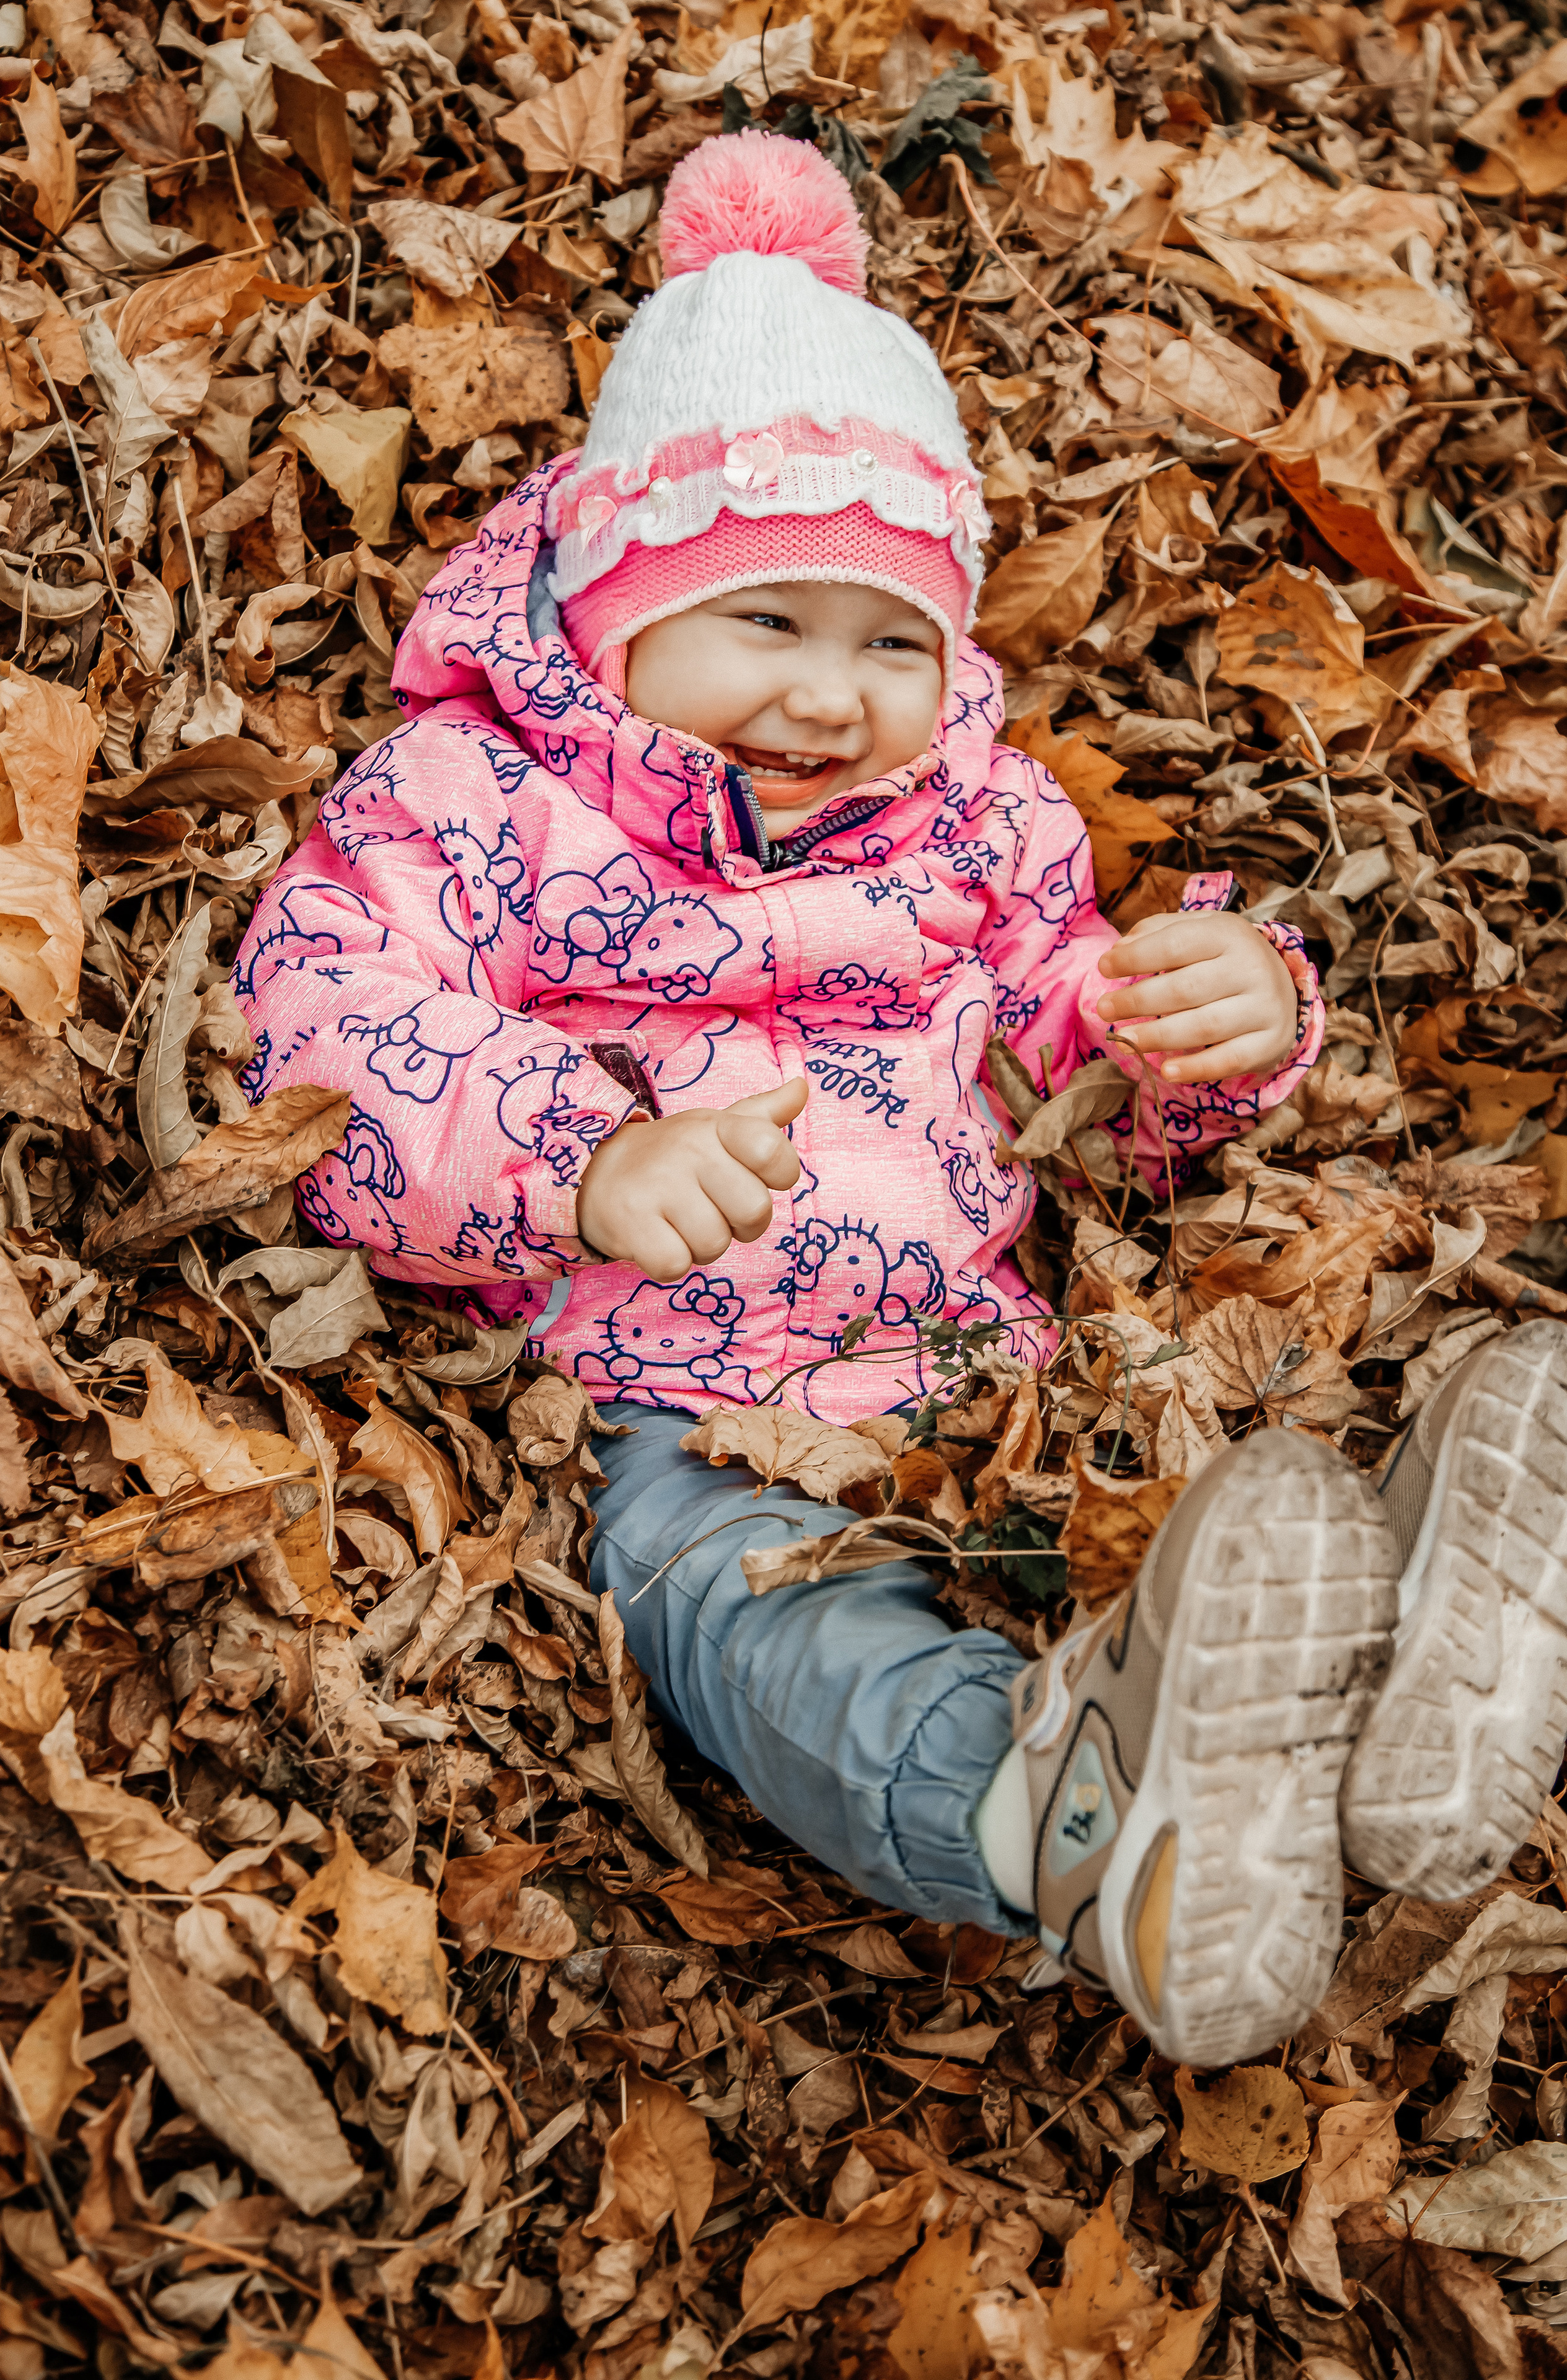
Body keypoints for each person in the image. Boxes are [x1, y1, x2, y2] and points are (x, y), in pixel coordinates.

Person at [234, 133, 1567, 2069]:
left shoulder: (977, 827)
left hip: (980, 1388)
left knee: (1166, 1520)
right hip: (682, 1399)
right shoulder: (471, 801)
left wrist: (1204, 1020)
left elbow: (1059, 1063)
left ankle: (1373, 1693)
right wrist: (588, 1154)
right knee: (761, 1622)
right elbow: (318, 1022)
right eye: (764, 621)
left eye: (891, 643)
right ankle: (1077, 1823)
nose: (830, 696)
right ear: (613, 613)